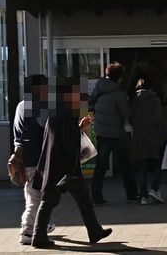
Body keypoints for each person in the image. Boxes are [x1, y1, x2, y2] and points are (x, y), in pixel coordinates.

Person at [31, 77, 112, 249]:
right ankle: (38, 236)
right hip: (64, 167)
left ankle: (94, 230)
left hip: (57, 165)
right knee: (51, 199)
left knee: (78, 197)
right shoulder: (67, 112)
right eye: (76, 93)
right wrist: (79, 134)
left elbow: (61, 135)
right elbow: (68, 140)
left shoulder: (56, 111)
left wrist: (79, 127)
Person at [12, 74, 55, 245]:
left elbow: (17, 133)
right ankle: (28, 231)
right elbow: (49, 130)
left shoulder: (22, 105)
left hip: (25, 156)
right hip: (38, 158)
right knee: (36, 197)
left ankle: (41, 225)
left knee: (33, 194)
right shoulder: (40, 107)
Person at [89, 62, 137, 205]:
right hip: (116, 133)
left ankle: (96, 196)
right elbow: (126, 113)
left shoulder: (99, 89)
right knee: (125, 165)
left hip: (101, 131)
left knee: (101, 165)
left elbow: (92, 104)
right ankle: (132, 194)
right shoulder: (118, 94)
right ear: (120, 77)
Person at [129, 77, 167, 205]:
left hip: (138, 138)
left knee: (141, 167)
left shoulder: (132, 100)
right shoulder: (154, 99)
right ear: (150, 88)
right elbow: (158, 119)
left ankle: (143, 197)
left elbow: (129, 118)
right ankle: (154, 189)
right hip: (153, 137)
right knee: (158, 165)